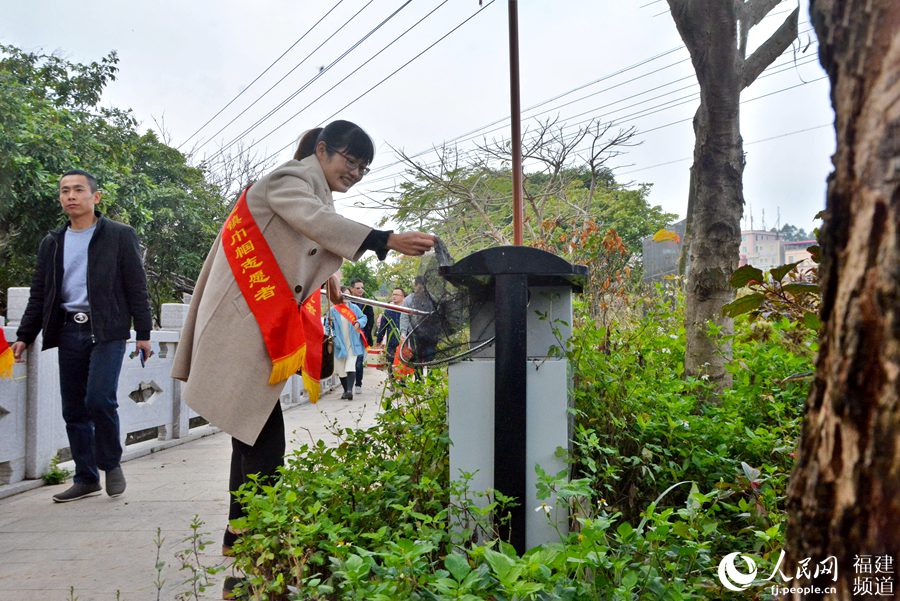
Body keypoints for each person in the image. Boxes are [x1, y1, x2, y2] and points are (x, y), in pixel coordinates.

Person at [170, 121, 434, 589]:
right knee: (259, 436)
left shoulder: (314, 189)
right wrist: (384, 239)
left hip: (254, 322)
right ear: (322, 149)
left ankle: (245, 535)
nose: (354, 172)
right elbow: (314, 223)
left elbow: (308, 234)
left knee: (253, 432)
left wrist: (327, 276)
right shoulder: (288, 178)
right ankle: (251, 535)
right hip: (243, 318)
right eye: (349, 160)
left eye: (363, 167)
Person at [11, 170, 153, 503]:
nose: (70, 196)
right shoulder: (53, 242)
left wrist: (144, 333)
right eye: (64, 191)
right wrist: (24, 335)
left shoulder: (119, 235)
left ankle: (110, 463)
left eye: (77, 190)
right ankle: (86, 477)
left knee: (99, 399)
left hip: (107, 330)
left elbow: (136, 286)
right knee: (74, 409)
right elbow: (40, 293)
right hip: (68, 330)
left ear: (95, 197)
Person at [331, 286, 367, 400]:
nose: (345, 297)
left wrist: (358, 322)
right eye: (343, 294)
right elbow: (328, 325)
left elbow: (363, 317)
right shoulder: (333, 310)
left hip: (352, 342)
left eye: (348, 294)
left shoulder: (354, 308)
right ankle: (346, 390)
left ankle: (350, 390)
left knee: (351, 366)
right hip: (339, 343)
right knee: (341, 369)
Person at [399, 276, 438, 370]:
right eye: (419, 288)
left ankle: (431, 382)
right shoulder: (408, 300)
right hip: (414, 335)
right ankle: (418, 380)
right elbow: (404, 317)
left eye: (424, 288)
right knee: (417, 359)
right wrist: (403, 332)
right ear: (415, 286)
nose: (422, 290)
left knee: (430, 358)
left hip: (430, 335)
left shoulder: (432, 299)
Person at [348, 278, 374, 394]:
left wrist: (367, 336)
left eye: (362, 288)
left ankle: (358, 383)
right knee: (348, 361)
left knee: (359, 361)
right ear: (352, 289)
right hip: (347, 336)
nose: (360, 290)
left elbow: (371, 321)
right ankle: (347, 385)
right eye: (357, 288)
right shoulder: (346, 303)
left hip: (361, 336)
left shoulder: (367, 304)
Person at [375, 287, 405, 372]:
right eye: (393, 294)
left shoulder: (406, 310)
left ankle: (403, 383)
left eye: (397, 294)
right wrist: (378, 340)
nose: (394, 296)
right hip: (391, 342)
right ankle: (392, 382)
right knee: (390, 363)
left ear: (403, 297)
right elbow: (382, 327)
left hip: (403, 342)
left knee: (403, 364)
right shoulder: (388, 310)